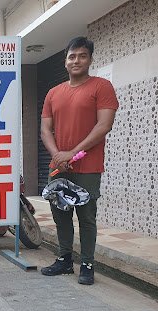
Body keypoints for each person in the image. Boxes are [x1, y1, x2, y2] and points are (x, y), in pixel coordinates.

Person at [40, 36, 119, 285]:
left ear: (90, 59)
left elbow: (104, 125)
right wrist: (57, 155)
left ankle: (87, 264)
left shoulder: (101, 87)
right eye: (72, 56)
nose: (76, 61)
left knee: (86, 217)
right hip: (58, 166)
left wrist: (72, 153)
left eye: (82, 56)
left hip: (87, 166)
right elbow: (45, 129)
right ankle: (64, 260)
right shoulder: (53, 93)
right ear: (65, 62)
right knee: (60, 214)